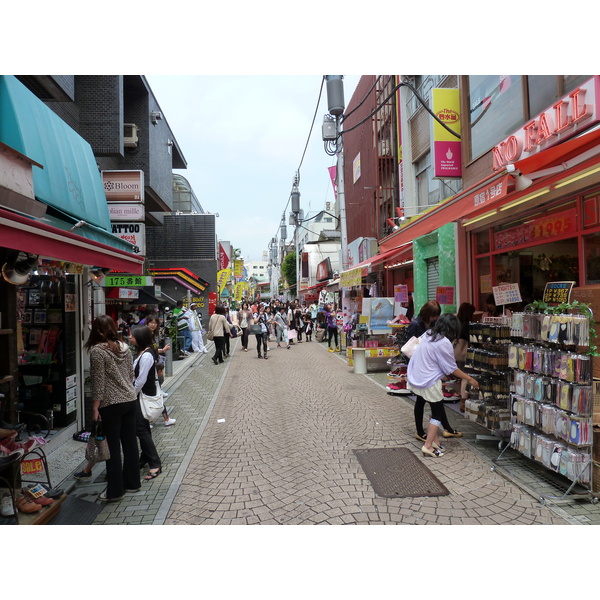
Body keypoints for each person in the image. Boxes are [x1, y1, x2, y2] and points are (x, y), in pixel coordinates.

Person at [84, 315, 141, 502]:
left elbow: (98, 383)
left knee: (113, 447)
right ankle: (132, 483)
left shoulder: (98, 352)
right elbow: (131, 374)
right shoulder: (125, 347)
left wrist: (95, 407)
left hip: (111, 404)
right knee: (130, 442)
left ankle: (115, 491)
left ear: (97, 331)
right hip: (130, 400)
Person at [407, 314, 479, 457]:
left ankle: (434, 441)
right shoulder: (444, 342)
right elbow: (451, 368)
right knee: (438, 413)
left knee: (435, 409)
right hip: (429, 380)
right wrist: (469, 379)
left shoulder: (428, 334)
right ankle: (428, 446)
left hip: (417, 376)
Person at [130, 325, 162, 481]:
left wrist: (131, 394)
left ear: (140, 338)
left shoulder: (147, 355)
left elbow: (141, 380)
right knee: (143, 429)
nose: (129, 338)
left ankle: (155, 463)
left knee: (141, 429)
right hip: (140, 395)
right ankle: (144, 458)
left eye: (132, 336)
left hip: (142, 396)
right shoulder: (142, 353)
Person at [146, 316, 176, 427]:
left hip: (152, 366)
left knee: (156, 394)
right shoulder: (145, 335)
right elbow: (147, 350)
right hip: (148, 367)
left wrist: (163, 350)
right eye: (151, 322)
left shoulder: (153, 335)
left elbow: (152, 349)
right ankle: (147, 420)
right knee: (151, 395)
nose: (153, 325)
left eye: (155, 323)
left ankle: (165, 419)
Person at [455, 302, 476, 412]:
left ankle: (463, 399)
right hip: (464, 354)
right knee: (465, 377)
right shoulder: (466, 325)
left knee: (462, 376)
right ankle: (463, 401)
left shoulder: (456, 322)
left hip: (457, 354)